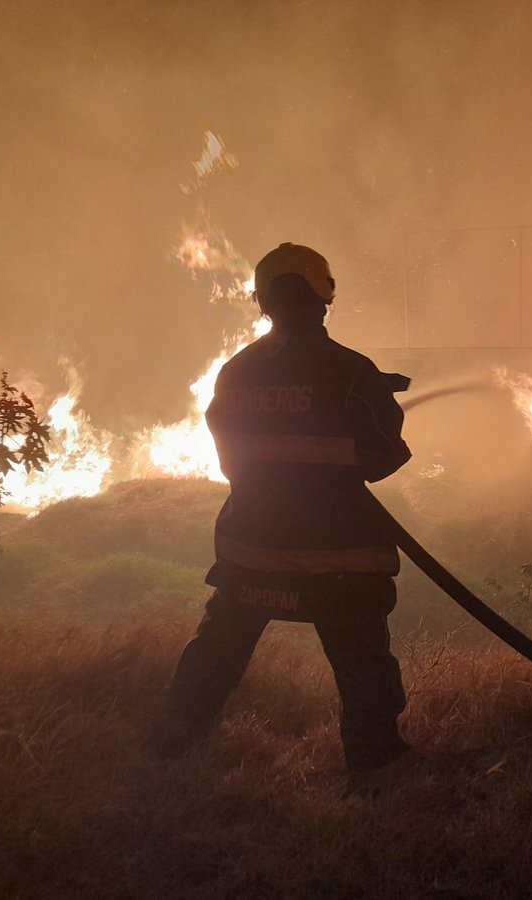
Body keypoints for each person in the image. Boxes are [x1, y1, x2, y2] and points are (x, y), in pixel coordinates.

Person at [154, 242, 414, 774]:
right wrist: (370, 410)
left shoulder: (235, 372)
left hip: (252, 552)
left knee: (217, 654)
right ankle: (377, 766)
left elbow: (234, 461)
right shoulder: (351, 372)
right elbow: (382, 457)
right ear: (324, 296)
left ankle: (175, 742)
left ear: (263, 301)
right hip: (338, 561)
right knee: (364, 668)